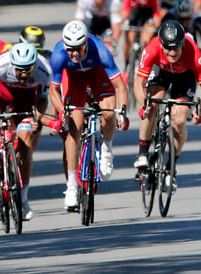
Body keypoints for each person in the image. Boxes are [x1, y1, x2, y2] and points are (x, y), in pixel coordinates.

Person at [49, 20, 129, 209]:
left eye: (78, 48)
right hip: (74, 81)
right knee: (72, 130)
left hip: (97, 76)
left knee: (108, 113)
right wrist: (61, 113)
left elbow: (120, 86)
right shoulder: (59, 54)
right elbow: (53, 91)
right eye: (70, 49)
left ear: (86, 43)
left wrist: (123, 113)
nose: (75, 53)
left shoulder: (100, 50)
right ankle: (71, 187)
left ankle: (107, 149)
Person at [0, 42, 52, 221]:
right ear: (12, 64)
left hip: (25, 99)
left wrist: (36, 117)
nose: (23, 74)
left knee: (25, 144)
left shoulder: (44, 71)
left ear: (34, 65)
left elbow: (43, 101)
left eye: (27, 70)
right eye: (19, 70)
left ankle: (23, 199)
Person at [133, 20, 201, 193]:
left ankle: (170, 167)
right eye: (168, 48)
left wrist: (199, 110)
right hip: (161, 72)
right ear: (161, 43)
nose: (172, 52)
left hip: (185, 76)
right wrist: (144, 104)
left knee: (179, 120)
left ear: (182, 44)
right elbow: (138, 83)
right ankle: (143, 153)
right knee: (152, 104)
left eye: (176, 48)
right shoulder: (152, 48)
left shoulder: (193, 52)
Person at [121, 0, 162, 72]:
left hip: (147, 17)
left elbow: (156, 16)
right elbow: (125, 12)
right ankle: (126, 62)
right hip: (133, 16)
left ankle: (145, 60)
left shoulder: (153, 1)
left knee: (147, 38)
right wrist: (124, 21)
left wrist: (157, 26)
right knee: (129, 39)